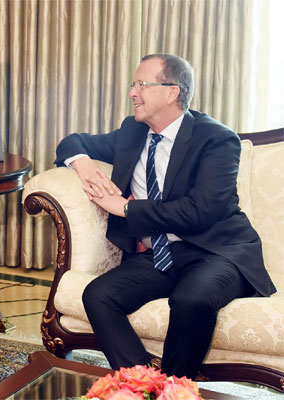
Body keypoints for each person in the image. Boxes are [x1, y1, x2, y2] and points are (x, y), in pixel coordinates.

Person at [55, 54, 276, 379]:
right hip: (161, 255)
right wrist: (83, 164)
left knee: (191, 300)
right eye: (133, 84)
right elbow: (71, 142)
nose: (132, 92)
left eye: (142, 85)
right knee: (98, 295)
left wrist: (126, 208)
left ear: (172, 92)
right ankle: (144, 385)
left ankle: (175, 388)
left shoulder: (216, 139)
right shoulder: (132, 131)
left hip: (217, 252)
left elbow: (199, 211)